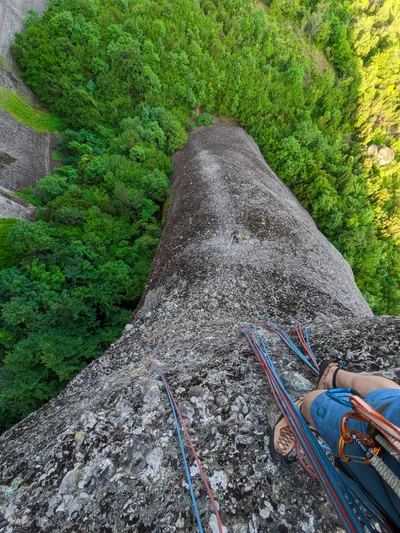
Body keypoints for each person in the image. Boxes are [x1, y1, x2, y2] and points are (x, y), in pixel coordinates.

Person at [272, 363, 400, 530]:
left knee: (391, 398)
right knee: (315, 403)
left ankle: (333, 375)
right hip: (384, 442)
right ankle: (301, 408)